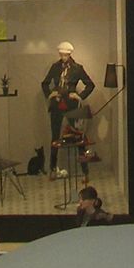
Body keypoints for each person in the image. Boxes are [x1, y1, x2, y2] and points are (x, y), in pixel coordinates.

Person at [41, 43, 95, 174]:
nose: (63, 57)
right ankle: (53, 168)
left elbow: (90, 85)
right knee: (55, 136)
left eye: (65, 55)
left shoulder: (77, 68)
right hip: (57, 103)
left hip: (71, 104)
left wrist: (79, 96)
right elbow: (44, 83)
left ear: (70, 54)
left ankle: (84, 170)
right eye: (61, 55)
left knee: (78, 136)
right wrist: (50, 94)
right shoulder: (55, 67)